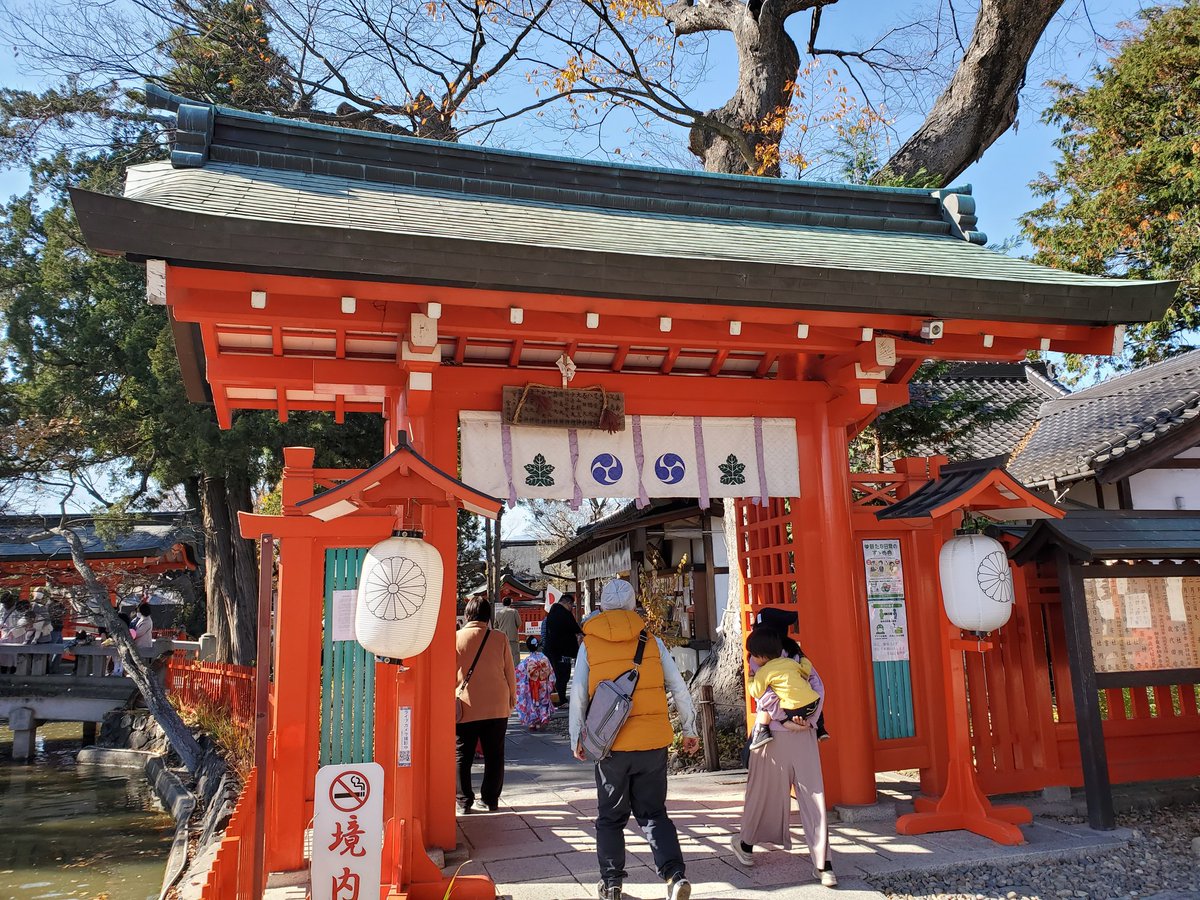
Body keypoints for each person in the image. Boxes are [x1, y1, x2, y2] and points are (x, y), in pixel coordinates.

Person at [569, 579, 699, 900]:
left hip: (610, 744)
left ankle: (611, 883)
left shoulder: (589, 645)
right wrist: (690, 729)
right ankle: (674, 875)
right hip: (653, 742)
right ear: (631, 605)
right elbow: (679, 688)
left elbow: (578, 698)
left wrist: (577, 737)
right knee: (654, 813)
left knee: (610, 816)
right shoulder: (651, 641)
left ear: (601, 606)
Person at [731, 611, 836, 889]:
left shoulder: (758, 659)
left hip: (773, 737)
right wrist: (809, 720)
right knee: (813, 796)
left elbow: (764, 698)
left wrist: (786, 719)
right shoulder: (799, 657)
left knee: (762, 794)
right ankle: (824, 865)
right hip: (805, 735)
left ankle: (746, 845)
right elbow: (818, 688)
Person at [454, 597, 516, 814]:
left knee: (463, 754)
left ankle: (463, 801)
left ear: (467, 614)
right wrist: (512, 698)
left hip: (467, 704)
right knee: (495, 754)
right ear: (488, 615)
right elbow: (509, 671)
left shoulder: (456, 638)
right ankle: (490, 799)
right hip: (497, 705)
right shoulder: (500, 638)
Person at [746, 628, 821, 750]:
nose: (752, 658)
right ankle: (820, 726)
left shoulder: (763, 671)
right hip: (814, 704)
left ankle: (766, 731)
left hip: (792, 712)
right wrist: (803, 658)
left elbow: (756, 692)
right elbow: (806, 672)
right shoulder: (790, 661)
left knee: (769, 709)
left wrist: (750, 679)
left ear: (762, 656)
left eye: (754, 655)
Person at [543, 591, 583, 705]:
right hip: (563, 650)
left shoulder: (552, 612)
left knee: (556, 674)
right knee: (563, 674)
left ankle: (556, 697)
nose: (571, 608)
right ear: (568, 603)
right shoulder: (564, 613)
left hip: (552, 649)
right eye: (571, 605)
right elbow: (575, 628)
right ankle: (561, 698)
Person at [514, 636, 556, 731]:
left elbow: (517, 673)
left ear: (528, 647)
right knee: (543, 702)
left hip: (532, 685)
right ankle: (544, 718)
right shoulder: (544, 658)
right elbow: (551, 672)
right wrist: (551, 683)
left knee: (531, 703)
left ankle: (533, 723)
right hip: (543, 683)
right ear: (537, 646)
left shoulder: (527, 661)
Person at [493, 595, 522, 669]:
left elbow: (495, 626)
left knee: (503, 655)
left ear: (503, 603)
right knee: (515, 655)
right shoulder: (514, 612)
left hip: (502, 637)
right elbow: (519, 623)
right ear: (510, 603)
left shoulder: (498, 613)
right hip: (513, 637)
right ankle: (515, 671)